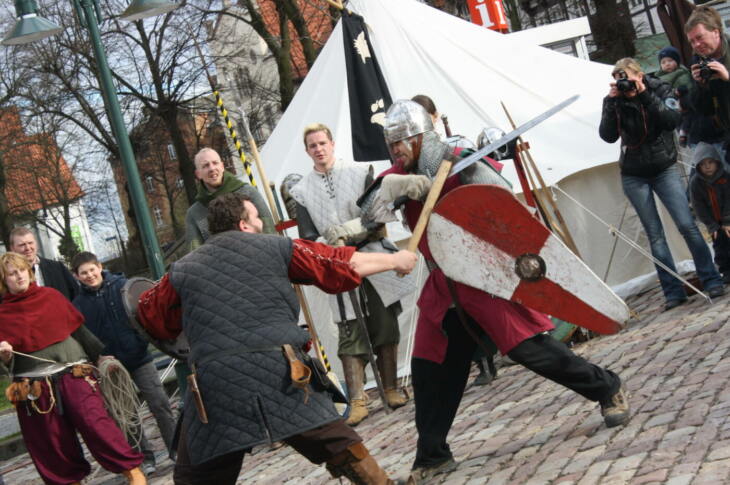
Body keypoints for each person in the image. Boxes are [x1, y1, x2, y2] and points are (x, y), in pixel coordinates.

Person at [360, 100, 630, 484]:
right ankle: (433, 454)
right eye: (391, 146)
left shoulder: (460, 157)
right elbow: (370, 213)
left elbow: (500, 197)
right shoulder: (399, 173)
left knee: (532, 351)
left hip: (481, 277)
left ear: (421, 138)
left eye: (401, 143)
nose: (396, 152)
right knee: (429, 369)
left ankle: (608, 387)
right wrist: (392, 189)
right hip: (442, 285)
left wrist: (449, 183)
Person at [135, 192, 416, 484]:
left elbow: (149, 314)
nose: (260, 223)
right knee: (335, 440)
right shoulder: (278, 247)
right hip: (280, 373)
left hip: (215, 384)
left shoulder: (182, 269)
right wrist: (395, 259)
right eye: (256, 217)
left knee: (196, 474)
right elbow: (341, 264)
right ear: (243, 224)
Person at [289, 123, 415, 426]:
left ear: (332, 143)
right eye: (312, 146)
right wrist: (329, 242)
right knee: (348, 328)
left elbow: (379, 215)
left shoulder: (360, 173)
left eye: (322, 143)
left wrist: (352, 230)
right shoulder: (301, 190)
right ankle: (358, 399)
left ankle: (391, 387)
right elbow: (307, 234)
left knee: (384, 321)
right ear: (307, 152)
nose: (318, 149)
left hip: (372, 253)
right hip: (336, 262)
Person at [0, 252, 146, 485]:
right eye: (11, 273)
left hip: (73, 375)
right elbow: (4, 365)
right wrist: (5, 357)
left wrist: (99, 357)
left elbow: (79, 331)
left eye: (21, 270)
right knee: (52, 441)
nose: (19, 276)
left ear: (29, 271)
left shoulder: (51, 297)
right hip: (34, 389)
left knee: (97, 425)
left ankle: (132, 471)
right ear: (4, 281)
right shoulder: (3, 315)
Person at [599, 57, 725, 311]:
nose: (624, 83)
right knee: (655, 235)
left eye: (627, 78)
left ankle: (711, 278)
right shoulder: (614, 99)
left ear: (640, 74)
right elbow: (607, 135)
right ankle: (672, 291)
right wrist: (612, 102)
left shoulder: (660, 89)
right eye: (618, 79)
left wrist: (644, 95)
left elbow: (671, 120)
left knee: (687, 225)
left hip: (663, 167)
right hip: (634, 173)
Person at [71, 251, 176, 475]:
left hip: (138, 356)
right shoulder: (78, 304)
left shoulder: (122, 287)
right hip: (111, 365)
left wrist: (140, 341)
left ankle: (176, 449)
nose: (89, 275)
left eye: (92, 269)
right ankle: (145, 458)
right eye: (84, 273)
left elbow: (141, 313)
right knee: (126, 415)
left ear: (99, 267)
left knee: (159, 403)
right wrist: (98, 358)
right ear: (77, 276)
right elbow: (83, 337)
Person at [184, 147, 274, 251]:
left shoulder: (249, 193)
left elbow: (269, 230)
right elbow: (195, 254)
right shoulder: (194, 213)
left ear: (222, 166)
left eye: (215, 163)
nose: (212, 168)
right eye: (205, 165)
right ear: (198, 174)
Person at [686, 6, 730, 139]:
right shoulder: (697, 62)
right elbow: (704, 110)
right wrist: (700, 86)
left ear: (716, 32)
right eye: (692, 41)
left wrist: (727, 78)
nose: (696, 45)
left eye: (699, 37)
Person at [689, 142, 730, 283]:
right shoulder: (696, 184)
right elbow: (698, 206)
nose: (707, 166)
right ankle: (726, 271)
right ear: (698, 166)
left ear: (717, 162)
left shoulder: (725, 177)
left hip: (727, 218)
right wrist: (712, 225)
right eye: (703, 164)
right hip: (713, 222)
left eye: (710, 162)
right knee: (720, 246)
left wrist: (727, 221)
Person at [8, 227, 78, 301]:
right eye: (22, 245)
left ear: (36, 243)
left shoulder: (58, 268)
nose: (28, 248)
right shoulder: (7, 276)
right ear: (12, 248)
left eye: (30, 243)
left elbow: (76, 295)